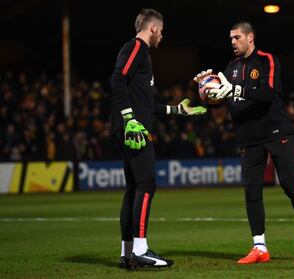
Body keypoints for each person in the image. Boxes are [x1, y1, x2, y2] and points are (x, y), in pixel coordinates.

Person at [194, 21, 294, 264]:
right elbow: (222, 96)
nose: (233, 42)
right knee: (252, 192)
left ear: (250, 37)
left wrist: (235, 90)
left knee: (290, 185)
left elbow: (268, 93)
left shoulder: (267, 60)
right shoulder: (229, 68)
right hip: (248, 138)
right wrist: (206, 92)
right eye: (230, 38)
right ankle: (259, 247)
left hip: (276, 131)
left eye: (237, 37)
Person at [111, 8, 206, 268]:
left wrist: (177, 110)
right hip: (134, 129)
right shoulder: (135, 48)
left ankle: (128, 253)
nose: (162, 37)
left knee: (133, 189)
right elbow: (117, 78)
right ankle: (141, 250)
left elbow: (148, 103)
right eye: (161, 31)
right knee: (147, 184)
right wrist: (129, 118)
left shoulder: (142, 55)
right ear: (153, 28)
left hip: (131, 126)